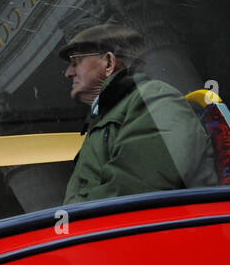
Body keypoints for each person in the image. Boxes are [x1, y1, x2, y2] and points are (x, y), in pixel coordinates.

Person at [59, 25, 217, 204]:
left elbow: (135, 188)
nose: (68, 73)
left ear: (109, 63)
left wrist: (75, 222)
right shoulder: (109, 114)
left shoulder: (153, 97)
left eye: (75, 62)